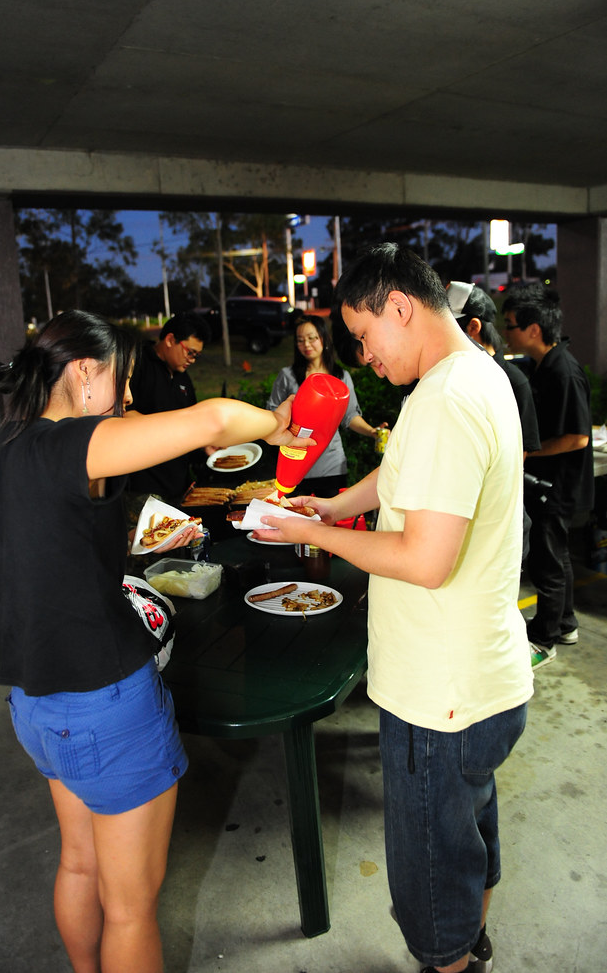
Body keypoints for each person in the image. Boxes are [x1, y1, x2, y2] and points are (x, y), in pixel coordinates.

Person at [0, 309, 312, 973]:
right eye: (122, 382)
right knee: (130, 906)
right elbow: (215, 421)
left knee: (78, 862)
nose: (128, 399)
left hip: (35, 704)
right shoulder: (73, 442)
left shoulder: (1, 455)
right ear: (82, 372)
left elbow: (52, 550)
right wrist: (279, 423)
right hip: (102, 702)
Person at [255, 244, 534, 973]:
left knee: (432, 869)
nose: (363, 356)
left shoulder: (444, 397)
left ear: (399, 306)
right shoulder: (471, 372)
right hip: (481, 676)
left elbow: (423, 558)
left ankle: (449, 958)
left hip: (436, 693)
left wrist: (308, 530)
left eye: (362, 336)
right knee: (467, 831)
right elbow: (404, 470)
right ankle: (470, 945)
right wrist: (336, 502)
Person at [503, 283, 594, 669]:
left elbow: (578, 436)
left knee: (548, 560)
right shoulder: (544, 365)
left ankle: (544, 638)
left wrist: (531, 451)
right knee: (557, 557)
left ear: (534, 329)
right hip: (551, 483)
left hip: (559, 485)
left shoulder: (564, 370)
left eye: (511, 325)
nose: (506, 332)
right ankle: (566, 623)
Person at [445, 280, 541, 559]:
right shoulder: (455, 376)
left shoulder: (512, 380)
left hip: (496, 519)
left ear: (473, 327)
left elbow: (517, 453)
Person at [266, 313, 380, 496]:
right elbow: (272, 412)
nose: (306, 345)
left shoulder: (341, 378)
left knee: (329, 518)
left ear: (324, 339)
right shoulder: (287, 376)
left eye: (312, 338)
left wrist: (372, 432)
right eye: (300, 340)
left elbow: (350, 416)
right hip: (295, 462)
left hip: (331, 464)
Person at [127, 312, 212, 502]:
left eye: (197, 355)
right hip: (144, 485)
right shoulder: (138, 364)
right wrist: (172, 426)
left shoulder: (183, 376)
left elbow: (192, 423)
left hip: (179, 484)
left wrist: (204, 446)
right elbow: (124, 415)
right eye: (190, 352)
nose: (192, 360)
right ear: (170, 339)